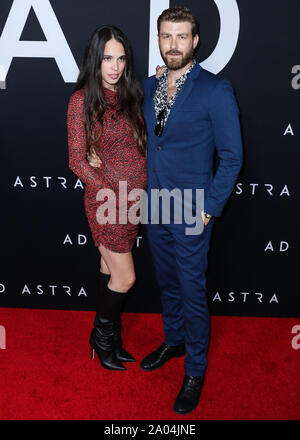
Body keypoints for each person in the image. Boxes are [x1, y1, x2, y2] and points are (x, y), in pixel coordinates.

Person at [139, 6, 243, 414]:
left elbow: (232, 156)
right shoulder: (147, 87)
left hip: (191, 210)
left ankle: (195, 369)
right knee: (167, 282)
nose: (174, 44)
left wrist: (209, 208)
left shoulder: (215, 90)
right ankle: (175, 340)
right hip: (155, 205)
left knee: (192, 289)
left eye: (182, 36)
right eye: (167, 36)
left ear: (195, 41)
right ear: (159, 40)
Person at [67, 25, 147, 371]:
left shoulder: (130, 95)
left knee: (107, 268)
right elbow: (76, 159)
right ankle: (100, 340)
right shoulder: (81, 100)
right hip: (108, 203)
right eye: (106, 58)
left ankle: (110, 341)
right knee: (125, 277)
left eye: (120, 58)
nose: (114, 66)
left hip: (132, 203)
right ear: (94, 60)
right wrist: (109, 192)